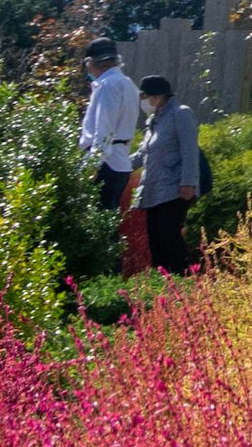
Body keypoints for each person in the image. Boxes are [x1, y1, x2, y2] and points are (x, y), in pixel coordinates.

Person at [77, 40, 144, 277]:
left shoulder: (107, 86)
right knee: (108, 222)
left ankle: (105, 278)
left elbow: (103, 131)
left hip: (105, 161)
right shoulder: (127, 84)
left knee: (99, 225)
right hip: (119, 160)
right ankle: (111, 278)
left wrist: (89, 166)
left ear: (94, 63)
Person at [134, 75, 201, 276]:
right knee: (155, 239)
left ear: (160, 95)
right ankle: (163, 289)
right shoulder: (153, 121)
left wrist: (188, 183)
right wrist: (115, 165)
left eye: (146, 96)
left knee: (168, 237)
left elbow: (189, 151)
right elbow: (142, 154)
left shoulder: (180, 114)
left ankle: (185, 281)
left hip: (175, 189)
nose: (144, 101)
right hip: (153, 190)